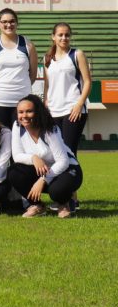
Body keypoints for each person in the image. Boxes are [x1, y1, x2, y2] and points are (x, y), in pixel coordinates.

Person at [7, 95, 83, 219]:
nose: (24, 116)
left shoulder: (50, 128)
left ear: (38, 112)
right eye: (20, 112)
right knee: (14, 171)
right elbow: (17, 156)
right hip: (45, 170)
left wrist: (43, 180)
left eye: (29, 111)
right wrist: (34, 158)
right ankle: (37, 205)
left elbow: (63, 161)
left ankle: (64, 203)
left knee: (56, 191)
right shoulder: (17, 126)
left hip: (67, 168)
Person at [44, 22, 91, 211]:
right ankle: (65, 197)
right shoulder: (47, 58)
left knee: (69, 153)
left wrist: (79, 104)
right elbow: (47, 86)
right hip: (53, 112)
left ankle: (71, 199)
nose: (64, 38)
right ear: (53, 37)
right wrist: (46, 105)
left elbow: (87, 81)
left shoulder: (77, 54)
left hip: (73, 110)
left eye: (67, 35)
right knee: (57, 155)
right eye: (60, 35)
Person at [0, 8, 38, 129]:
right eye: (4, 22)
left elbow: (33, 75)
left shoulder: (28, 45)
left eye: (12, 21)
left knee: (22, 138)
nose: (9, 25)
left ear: (17, 23)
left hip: (22, 103)